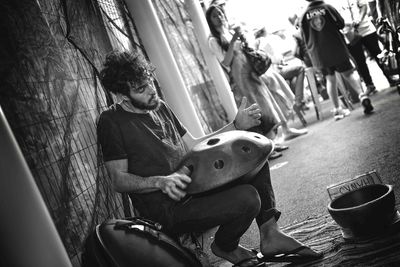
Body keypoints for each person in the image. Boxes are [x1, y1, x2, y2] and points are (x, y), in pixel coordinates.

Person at [97, 51, 322, 266]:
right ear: (122, 96)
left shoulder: (160, 107)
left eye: (150, 81)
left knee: (254, 159)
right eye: (141, 88)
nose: (151, 90)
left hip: (195, 186)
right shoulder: (111, 121)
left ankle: (270, 234)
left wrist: (235, 126)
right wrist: (159, 181)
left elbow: (195, 145)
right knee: (247, 199)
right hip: (169, 208)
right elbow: (118, 179)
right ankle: (225, 246)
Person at [205, 5, 308, 142]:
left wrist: (241, 38)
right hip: (240, 80)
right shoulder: (214, 40)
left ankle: (283, 132)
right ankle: (267, 143)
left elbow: (244, 50)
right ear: (210, 21)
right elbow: (225, 62)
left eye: (220, 13)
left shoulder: (229, 32)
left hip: (250, 72)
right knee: (257, 111)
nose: (219, 17)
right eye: (214, 16)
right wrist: (234, 43)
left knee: (268, 103)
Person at [300, 0, 374, 120]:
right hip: (336, 47)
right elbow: (341, 23)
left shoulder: (303, 15)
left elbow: (304, 37)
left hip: (320, 53)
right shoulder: (327, 7)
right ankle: (362, 95)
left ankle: (338, 110)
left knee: (330, 79)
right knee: (349, 74)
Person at [337, 0, 391, 93]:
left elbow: (364, 6)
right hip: (349, 33)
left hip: (366, 29)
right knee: (359, 61)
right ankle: (369, 85)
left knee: (378, 54)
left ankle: (390, 76)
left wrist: (359, 19)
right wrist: (346, 24)